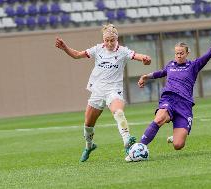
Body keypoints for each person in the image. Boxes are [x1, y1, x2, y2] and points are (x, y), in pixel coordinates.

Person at [55, 24, 151, 162]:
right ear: (103, 40)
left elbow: (137, 55)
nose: (109, 43)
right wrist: (65, 48)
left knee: (118, 112)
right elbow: (76, 55)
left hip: (114, 90)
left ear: (116, 39)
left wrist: (145, 58)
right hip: (98, 91)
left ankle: (127, 141)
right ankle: (89, 146)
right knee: (88, 124)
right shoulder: (98, 49)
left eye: (112, 40)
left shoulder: (123, 51)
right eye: (106, 40)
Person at [125, 29, 211, 162]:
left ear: (187, 53)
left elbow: (209, 54)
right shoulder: (171, 65)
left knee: (178, 145)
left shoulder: (193, 65)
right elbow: (160, 73)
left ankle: (175, 136)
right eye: (177, 53)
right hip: (169, 99)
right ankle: (137, 149)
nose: (178, 56)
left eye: (181, 53)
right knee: (159, 118)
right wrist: (145, 76)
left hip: (184, 105)